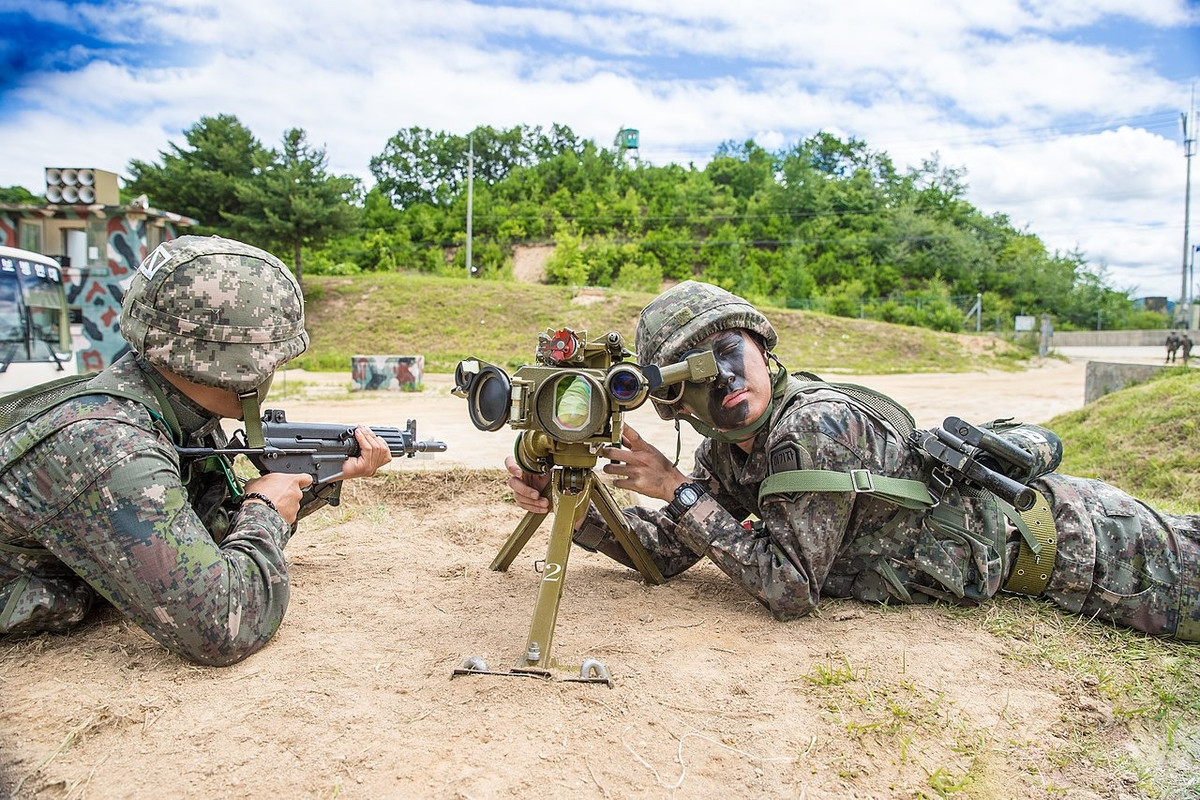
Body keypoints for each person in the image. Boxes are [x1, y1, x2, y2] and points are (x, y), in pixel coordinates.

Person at [506, 281, 1200, 641]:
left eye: (732, 351)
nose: (725, 375)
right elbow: (662, 554)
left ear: (763, 349)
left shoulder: (814, 425)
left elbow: (790, 590)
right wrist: (574, 503)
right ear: (675, 400)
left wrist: (678, 489)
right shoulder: (730, 454)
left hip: (1089, 546)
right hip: (1055, 568)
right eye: (699, 368)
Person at [0, 236, 391, 665]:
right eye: (272, 362)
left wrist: (316, 477)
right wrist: (265, 509)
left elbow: (204, 532)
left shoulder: (167, 405)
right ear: (236, 367)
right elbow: (223, 626)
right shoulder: (111, 446)